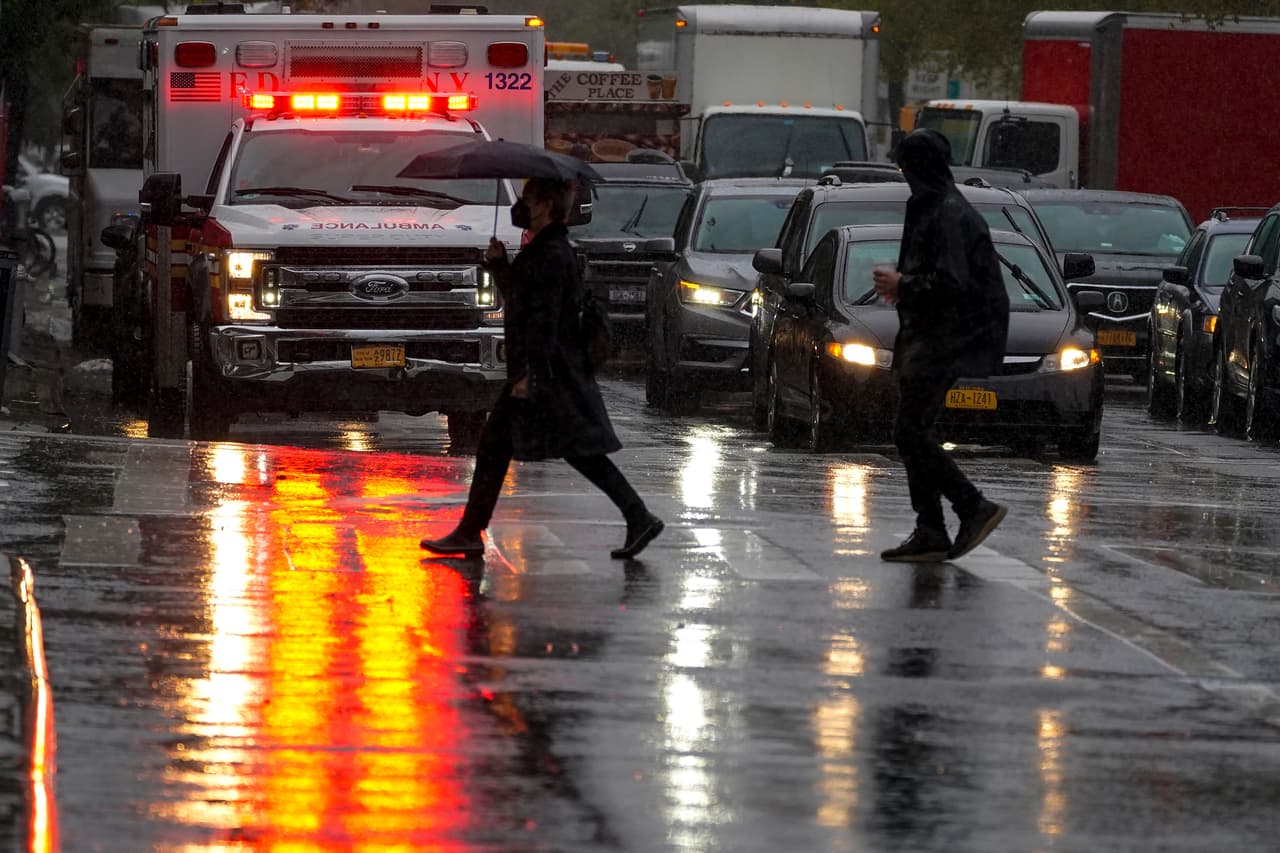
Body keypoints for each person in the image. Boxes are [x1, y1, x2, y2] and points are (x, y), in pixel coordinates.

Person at [421, 177, 664, 560]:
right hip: (549, 371)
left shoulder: (553, 254)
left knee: (533, 448)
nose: (522, 205)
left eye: (530, 198)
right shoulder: (546, 250)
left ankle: (471, 532)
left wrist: (528, 375)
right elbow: (522, 297)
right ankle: (638, 517)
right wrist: (500, 265)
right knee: (538, 449)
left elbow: (544, 320)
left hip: (546, 372)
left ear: (547, 206)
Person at [872, 128, 1010, 562]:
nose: (902, 175)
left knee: (910, 431)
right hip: (931, 333)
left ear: (918, 168)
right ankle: (931, 527)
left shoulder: (949, 213)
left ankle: (970, 506)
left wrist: (904, 284)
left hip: (948, 335)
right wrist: (904, 288)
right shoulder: (935, 206)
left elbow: (953, 283)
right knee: (913, 431)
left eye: (904, 167)